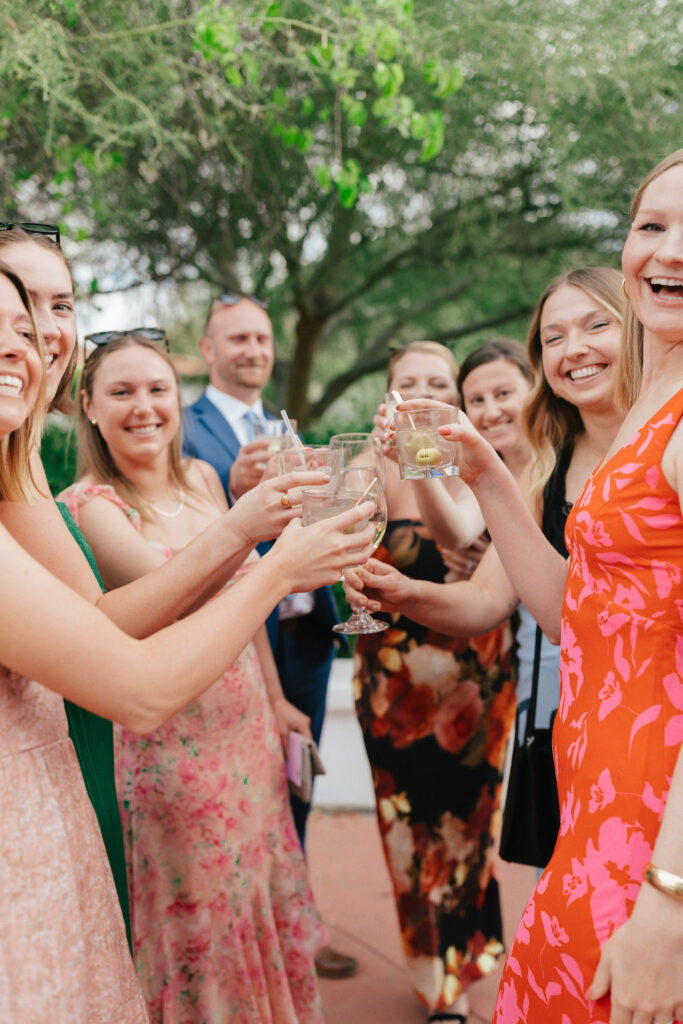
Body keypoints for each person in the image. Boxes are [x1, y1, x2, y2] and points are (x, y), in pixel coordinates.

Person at [0, 230, 346, 954]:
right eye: (13, 309)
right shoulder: (87, 500)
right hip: (140, 746)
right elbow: (132, 672)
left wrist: (275, 685)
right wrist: (270, 559)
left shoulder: (23, 472)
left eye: (54, 305)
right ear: (89, 406)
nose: (31, 333)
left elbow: (94, 620)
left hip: (225, 718)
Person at [418, 152, 683, 1024]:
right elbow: (579, 611)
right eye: (651, 226)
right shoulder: (653, 398)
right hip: (597, 792)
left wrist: (668, 899)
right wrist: (487, 472)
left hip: (654, 823)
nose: (667, 251)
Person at [61, 332, 327, 1023]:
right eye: (121, 392)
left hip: (246, 731)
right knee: (201, 924)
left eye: (156, 389)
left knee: (255, 899)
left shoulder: (202, 480)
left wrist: (275, 701)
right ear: (88, 406)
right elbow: (168, 593)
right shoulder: (88, 506)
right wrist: (252, 535)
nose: (144, 407)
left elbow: (247, 607)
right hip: (170, 748)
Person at [355, 268, 626, 790]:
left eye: (596, 326)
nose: (574, 349)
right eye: (554, 337)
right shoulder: (544, 470)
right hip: (567, 704)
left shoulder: (668, 439)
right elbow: (492, 599)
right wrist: (404, 592)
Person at [351, 339, 533, 1024]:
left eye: (437, 382)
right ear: (387, 394)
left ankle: (463, 959)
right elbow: (335, 560)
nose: (422, 391)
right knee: (408, 833)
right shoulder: (361, 463)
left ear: (454, 396)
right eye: (407, 382)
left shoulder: (482, 464)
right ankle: (432, 977)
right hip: (389, 688)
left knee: (466, 830)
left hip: (475, 680)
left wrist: (417, 457)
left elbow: (457, 542)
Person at [183, 294, 356, 979]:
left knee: (296, 781)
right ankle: (236, 939)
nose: (252, 350)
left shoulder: (281, 422)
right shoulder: (184, 425)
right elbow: (182, 520)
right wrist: (232, 485)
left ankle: (296, 926)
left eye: (260, 337)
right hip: (233, 638)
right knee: (235, 790)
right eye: (236, 340)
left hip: (304, 636)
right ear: (207, 350)